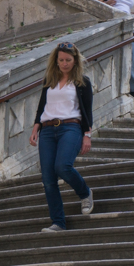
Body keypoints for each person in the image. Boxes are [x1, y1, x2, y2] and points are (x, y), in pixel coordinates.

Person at [29, 42, 95, 232]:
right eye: (61, 60)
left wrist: (87, 135)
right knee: (48, 178)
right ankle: (58, 222)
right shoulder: (49, 80)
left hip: (71, 127)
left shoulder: (82, 82)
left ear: (75, 61)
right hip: (47, 130)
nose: (64, 63)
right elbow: (42, 107)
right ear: (56, 61)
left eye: (68, 60)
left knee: (63, 166)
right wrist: (35, 128)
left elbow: (87, 111)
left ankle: (85, 192)